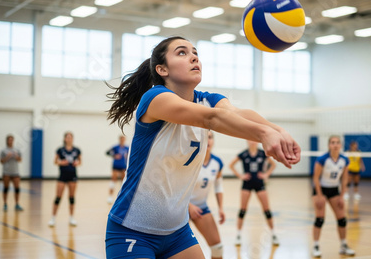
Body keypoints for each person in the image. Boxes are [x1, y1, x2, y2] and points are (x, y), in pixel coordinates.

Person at [104, 36, 301, 259]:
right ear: (162, 69)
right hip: (133, 231)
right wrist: (264, 134)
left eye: (195, 52)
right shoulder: (155, 98)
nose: (194, 57)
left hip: (177, 233)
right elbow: (211, 119)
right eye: (182, 52)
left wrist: (278, 131)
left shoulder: (208, 99)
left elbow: (235, 113)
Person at [229, 140, 279, 246]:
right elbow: (231, 165)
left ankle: (274, 234)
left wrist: (266, 175)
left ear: (257, 142)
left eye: (254, 140)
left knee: (267, 210)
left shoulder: (263, 153)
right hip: (247, 184)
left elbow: (273, 165)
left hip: (259, 184)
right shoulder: (243, 154)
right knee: (242, 210)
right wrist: (240, 176)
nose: (252, 142)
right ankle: (238, 235)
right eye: (250, 140)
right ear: (247, 141)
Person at [312, 135, 355, 257]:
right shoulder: (322, 159)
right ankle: (315, 246)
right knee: (320, 218)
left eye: (337, 142)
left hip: (334, 189)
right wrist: (320, 196)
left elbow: (345, 178)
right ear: (329, 145)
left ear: (341, 145)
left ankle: (343, 245)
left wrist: (342, 196)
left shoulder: (344, 160)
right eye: (332, 142)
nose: (335, 145)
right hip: (320, 189)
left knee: (342, 219)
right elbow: (315, 178)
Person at [189, 131, 225, 259]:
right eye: (205, 137)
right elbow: (173, 187)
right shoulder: (189, 159)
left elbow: (218, 185)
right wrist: (189, 206)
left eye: (210, 137)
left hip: (201, 208)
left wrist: (221, 208)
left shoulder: (217, 162)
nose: (208, 140)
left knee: (218, 248)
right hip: (180, 209)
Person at [48, 132, 81, 227]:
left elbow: (80, 161)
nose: (69, 139)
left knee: (71, 197)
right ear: (65, 139)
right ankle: (53, 218)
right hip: (62, 176)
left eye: (71, 137)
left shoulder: (76, 150)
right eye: (68, 137)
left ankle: (71, 218)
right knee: (58, 197)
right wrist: (61, 162)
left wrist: (76, 163)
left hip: (72, 175)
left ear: (72, 139)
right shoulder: (60, 150)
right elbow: (55, 161)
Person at [0, 134, 23, 211]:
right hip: (6, 172)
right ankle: (5, 204)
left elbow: (20, 160)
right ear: (7, 141)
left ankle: (17, 204)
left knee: (17, 188)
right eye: (9, 140)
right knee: (6, 188)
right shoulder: (4, 150)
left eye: (12, 140)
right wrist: (7, 156)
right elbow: (1, 161)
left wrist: (16, 156)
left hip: (15, 171)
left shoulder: (17, 150)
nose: (10, 141)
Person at [106, 135, 129, 204]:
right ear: (119, 140)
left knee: (123, 182)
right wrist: (114, 155)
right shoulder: (115, 147)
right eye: (121, 139)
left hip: (123, 166)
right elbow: (107, 152)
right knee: (113, 180)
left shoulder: (127, 148)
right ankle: (110, 196)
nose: (122, 140)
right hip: (116, 166)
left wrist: (127, 156)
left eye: (123, 139)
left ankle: (122, 197)